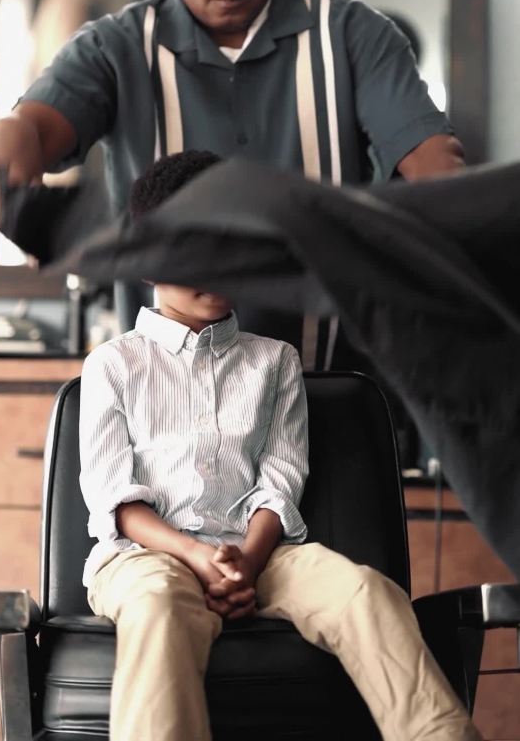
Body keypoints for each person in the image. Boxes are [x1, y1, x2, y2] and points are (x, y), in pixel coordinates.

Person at [0, 0, 464, 368]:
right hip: (163, 402)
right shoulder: (114, 48)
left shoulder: (355, 36)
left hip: (330, 388)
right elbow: (27, 132)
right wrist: (13, 191)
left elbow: (435, 165)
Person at [79, 148, 479, 741]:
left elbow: (280, 482)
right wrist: (195, 557)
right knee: (160, 606)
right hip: (145, 558)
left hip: (262, 555)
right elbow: (115, 499)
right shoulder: (112, 365)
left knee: (366, 592)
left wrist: (246, 562)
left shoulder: (275, 362)